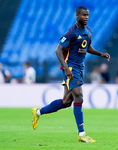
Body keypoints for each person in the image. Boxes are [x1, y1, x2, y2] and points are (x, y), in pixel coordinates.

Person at [32, 6, 110, 143]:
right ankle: (82, 133)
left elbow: (87, 47)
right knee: (79, 96)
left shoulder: (88, 31)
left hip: (79, 68)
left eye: (87, 15)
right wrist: (67, 69)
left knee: (67, 102)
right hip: (71, 68)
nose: (86, 17)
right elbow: (58, 50)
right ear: (77, 15)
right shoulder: (71, 32)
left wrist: (100, 54)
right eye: (83, 15)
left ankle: (38, 112)